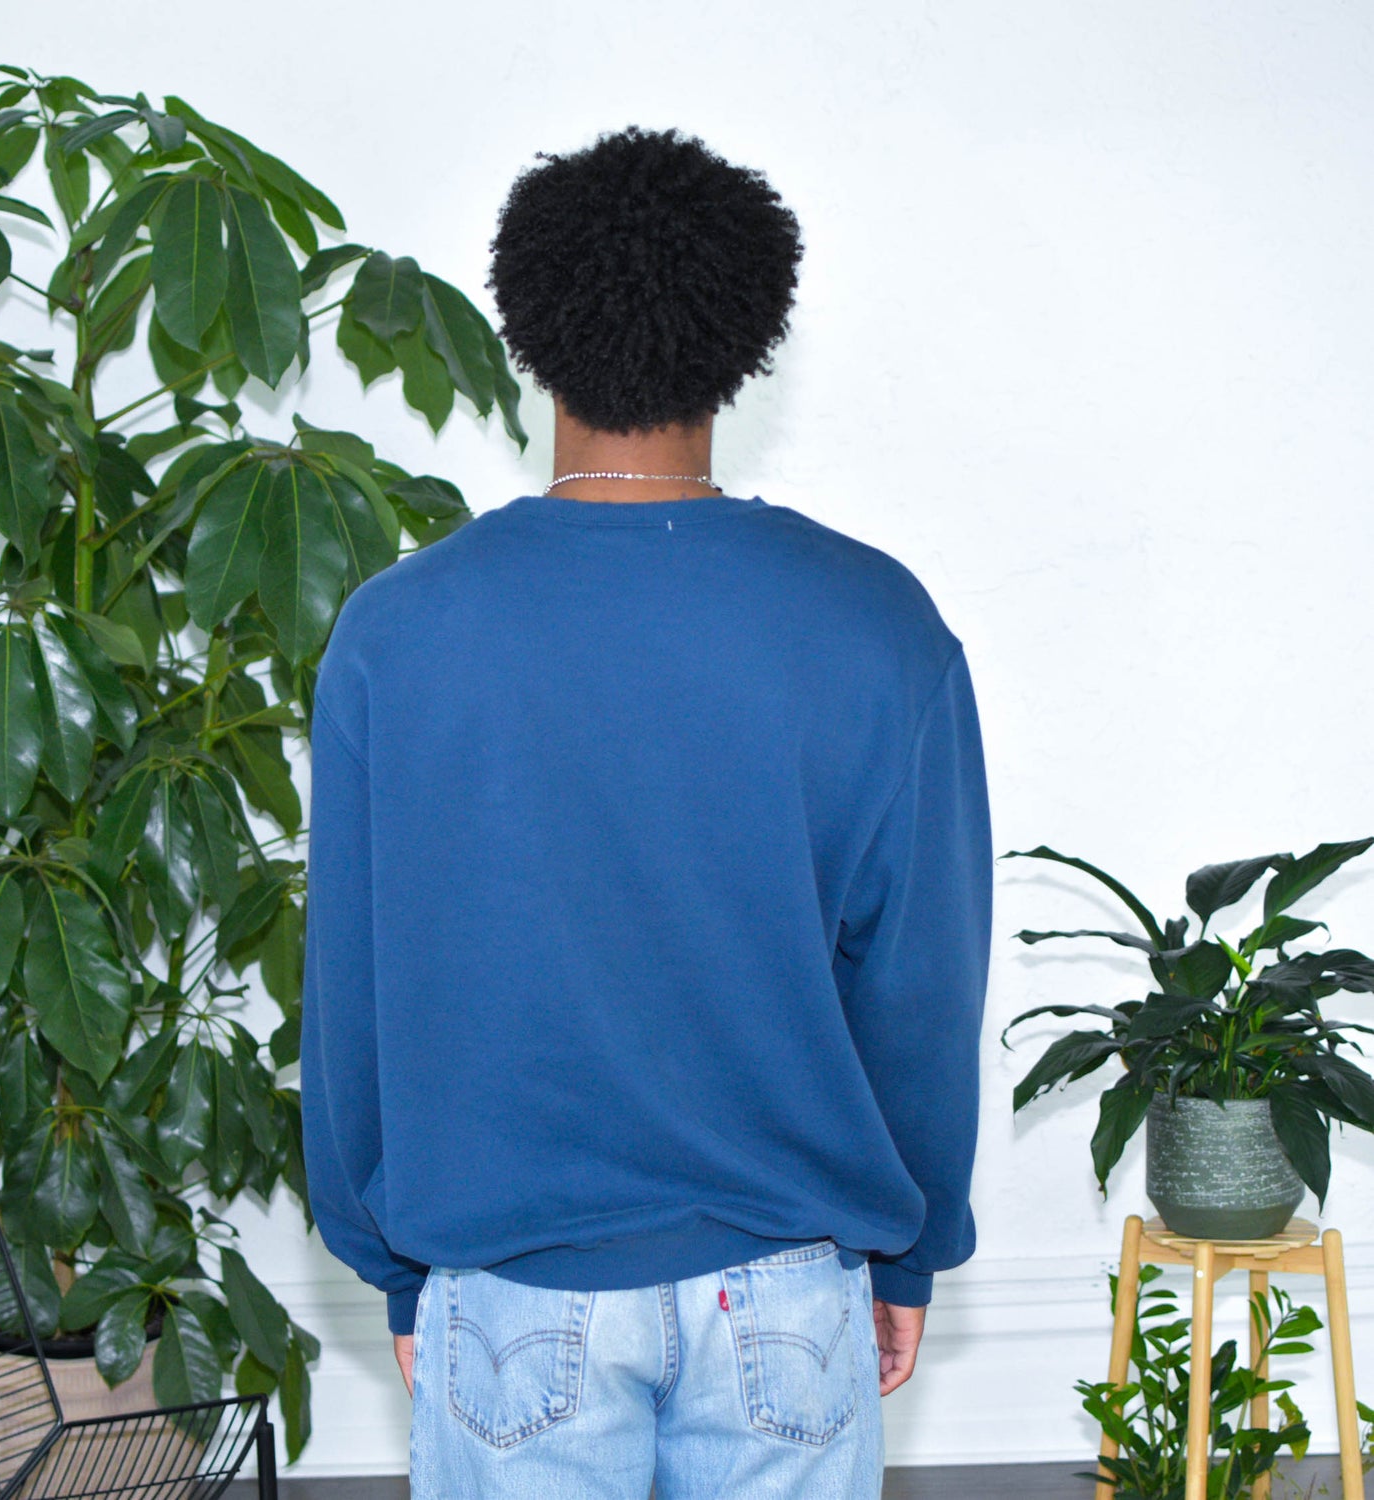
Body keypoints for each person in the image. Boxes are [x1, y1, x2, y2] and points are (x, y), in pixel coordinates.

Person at [300, 124, 993, 1500]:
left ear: (527, 329)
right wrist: (910, 1246)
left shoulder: (398, 632)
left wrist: (390, 1262)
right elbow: (918, 987)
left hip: (507, 1288)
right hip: (790, 1292)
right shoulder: (876, 624)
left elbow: (357, 992)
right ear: (748, 335)